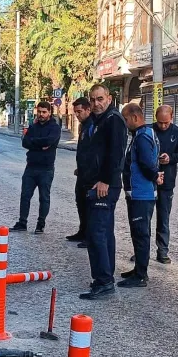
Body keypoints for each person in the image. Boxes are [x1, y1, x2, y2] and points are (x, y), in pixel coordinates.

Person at [80, 84, 128, 300]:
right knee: (104, 232)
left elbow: (116, 154)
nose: (96, 103)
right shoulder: (99, 121)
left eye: (100, 99)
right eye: (93, 99)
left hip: (104, 186)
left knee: (97, 233)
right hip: (95, 183)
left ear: (109, 98)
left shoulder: (113, 120)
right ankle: (105, 278)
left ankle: (104, 282)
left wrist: (105, 181)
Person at [118, 104, 160, 289]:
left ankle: (141, 275)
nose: (126, 124)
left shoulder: (142, 137)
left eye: (126, 120)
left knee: (141, 234)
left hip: (142, 194)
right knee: (137, 233)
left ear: (135, 117)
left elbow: (146, 163)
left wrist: (155, 177)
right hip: (138, 192)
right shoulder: (143, 134)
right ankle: (138, 269)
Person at [11, 101, 61, 234]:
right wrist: (40, 144)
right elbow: (25, 142)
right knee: (25, 196)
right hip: (31, 167)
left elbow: (49, 141)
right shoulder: (33, 126)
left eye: (44, 112)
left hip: (46, 168)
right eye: (39, 112)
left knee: (44, 197)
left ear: (49, 112)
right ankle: (22, 223)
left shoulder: (55, 128)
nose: (41, 114)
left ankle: (40, 224)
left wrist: (34, 143)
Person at [153, 105, 178, 263]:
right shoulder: (148, 130)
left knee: (163, 218)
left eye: (166, 123)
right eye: (160, 122)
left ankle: (162, 251)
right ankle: (141, 250)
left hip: (167, 182)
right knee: (143, 218)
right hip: (148, 180)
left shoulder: (177, 132)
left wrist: (170, 158)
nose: (163, 126)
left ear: (172, 118)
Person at [67, 97, 97, 247]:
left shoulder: (92, 125)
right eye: (76, 112)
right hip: (82, 173)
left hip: (90, 175)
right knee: (80, 202)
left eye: (80, 111)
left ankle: (89, 236)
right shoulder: (84, 126)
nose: (77, 115)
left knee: (88, 205)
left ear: (88, 110)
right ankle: (82, 231)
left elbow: (93, 152)